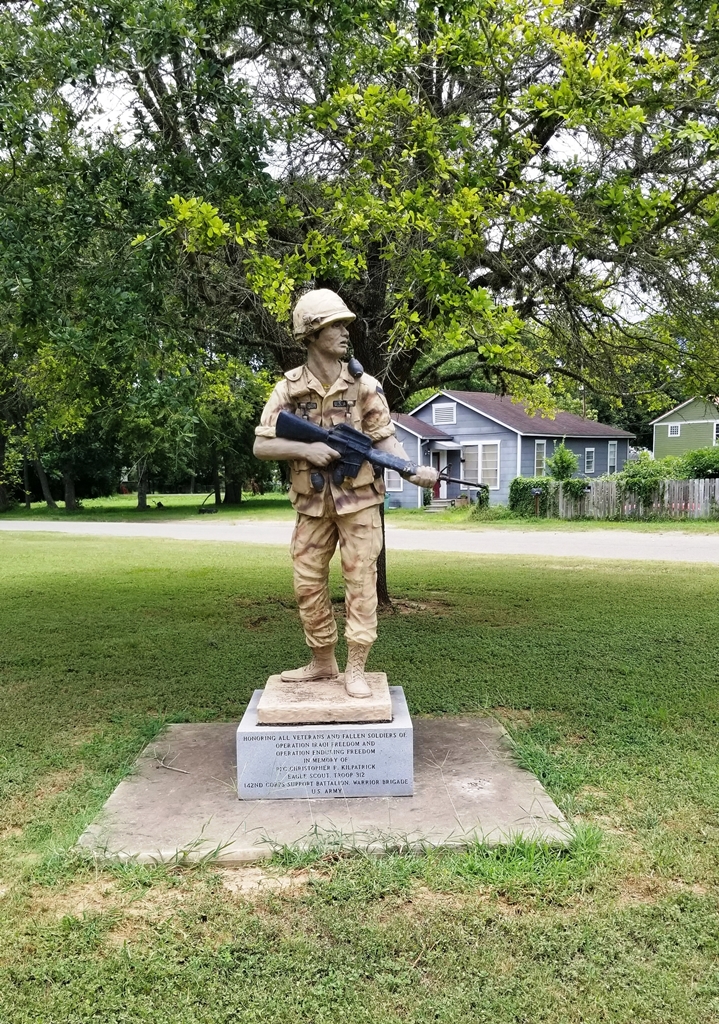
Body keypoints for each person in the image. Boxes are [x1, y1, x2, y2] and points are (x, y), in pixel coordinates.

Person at [253, 289, 438, 698]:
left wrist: (412, 471)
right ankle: (322, 662)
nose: (344, 332)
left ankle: (356, 666)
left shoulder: (365, 386)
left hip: (359, 503)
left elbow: (385, 441)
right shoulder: (288, 388)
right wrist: (307, 449)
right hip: (312, 505)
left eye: (344, 325)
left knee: (360, 582)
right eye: (334, 325)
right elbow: (262, 444)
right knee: (306, 584)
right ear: (312, 332)